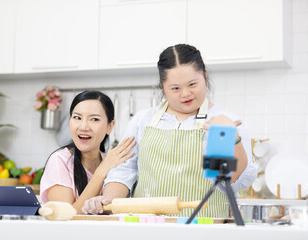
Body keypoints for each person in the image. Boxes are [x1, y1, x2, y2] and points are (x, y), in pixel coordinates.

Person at [82, 44, 257, 217]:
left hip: (204, 228)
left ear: (204, 75)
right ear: (162, 86)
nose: (185, 94)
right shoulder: (143, 121)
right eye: (175, 88)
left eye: (192, 84)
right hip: (148, 228)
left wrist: (232, 139)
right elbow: (124, 171)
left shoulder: (222, 122)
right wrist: (107, 201)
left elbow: (232, 182)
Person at [40, 90, 136, 214]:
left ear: (110, 126)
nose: (83, 126)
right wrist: (102, 170)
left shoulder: (113, 163)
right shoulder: (60, 160)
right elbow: (66, 216)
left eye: (94, 119)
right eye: (77, 118)